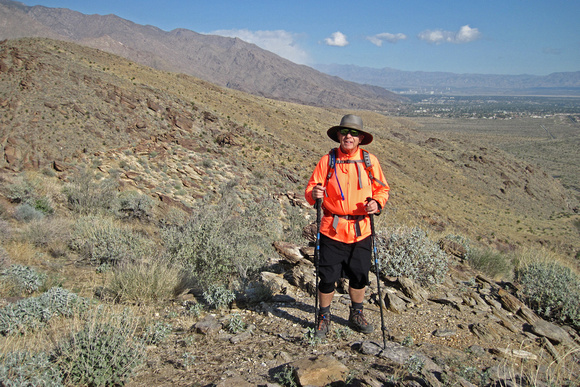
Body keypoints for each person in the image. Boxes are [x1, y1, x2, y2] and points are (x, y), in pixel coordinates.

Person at [305, 114, 390, 338]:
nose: (348, 136)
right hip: (332, 229)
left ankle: (356, 314)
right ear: (338, 136)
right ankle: (324, 317)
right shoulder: (327, 160)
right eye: (344, 132)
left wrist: (377, 203)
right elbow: (311, 190)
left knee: (359, 275)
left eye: (353, 133)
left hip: (361, 230)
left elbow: (382, 189)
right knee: (327, 277)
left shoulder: (370, 162)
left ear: (361, 138)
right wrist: (314, 194)